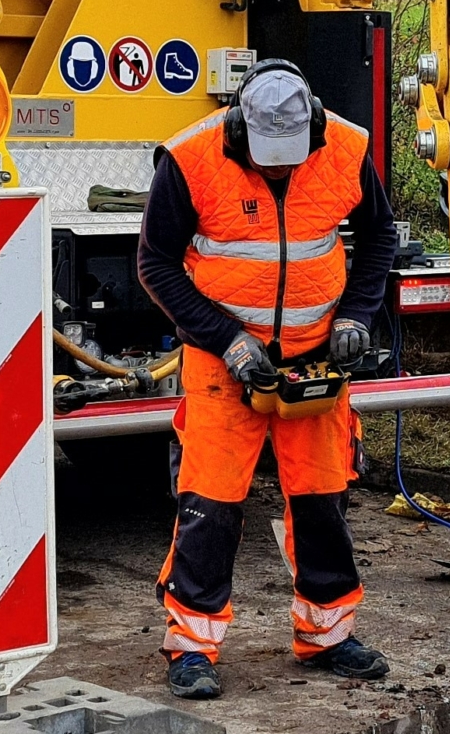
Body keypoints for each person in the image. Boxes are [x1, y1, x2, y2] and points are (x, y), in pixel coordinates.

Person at [137, 59, 399, 699]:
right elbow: (155, 265)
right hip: (224, 366)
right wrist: (227, 340)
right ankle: (192, 646)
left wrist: (358, 316)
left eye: (291, 158)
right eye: (267, 159)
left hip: (314, 364)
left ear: (312, 126)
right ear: (237, 131)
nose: (281, 170)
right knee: (211, 506)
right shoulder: (190, 159)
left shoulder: (345, 148)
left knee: (323, 500)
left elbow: (379, 236)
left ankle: (328, 634)